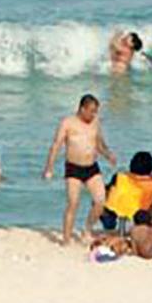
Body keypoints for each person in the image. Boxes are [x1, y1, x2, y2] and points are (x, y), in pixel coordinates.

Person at [43, 94, 117, 245]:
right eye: (91, 111)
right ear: (82, 109)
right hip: (73, 169)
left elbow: (99, 144)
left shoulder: (95, 122)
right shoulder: (67, 123)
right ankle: (66, 239)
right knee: (73, 203)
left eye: (96, 111)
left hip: (92, 167)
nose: (94, 115)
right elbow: (56, 146)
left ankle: (87, 229)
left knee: (101, 201)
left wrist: (108, 155)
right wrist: (49, 168)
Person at [104, 151, 152, 224]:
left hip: (114, 213)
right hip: (139, 217)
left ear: (131, 165)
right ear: (151, 168)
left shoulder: (119, 177)